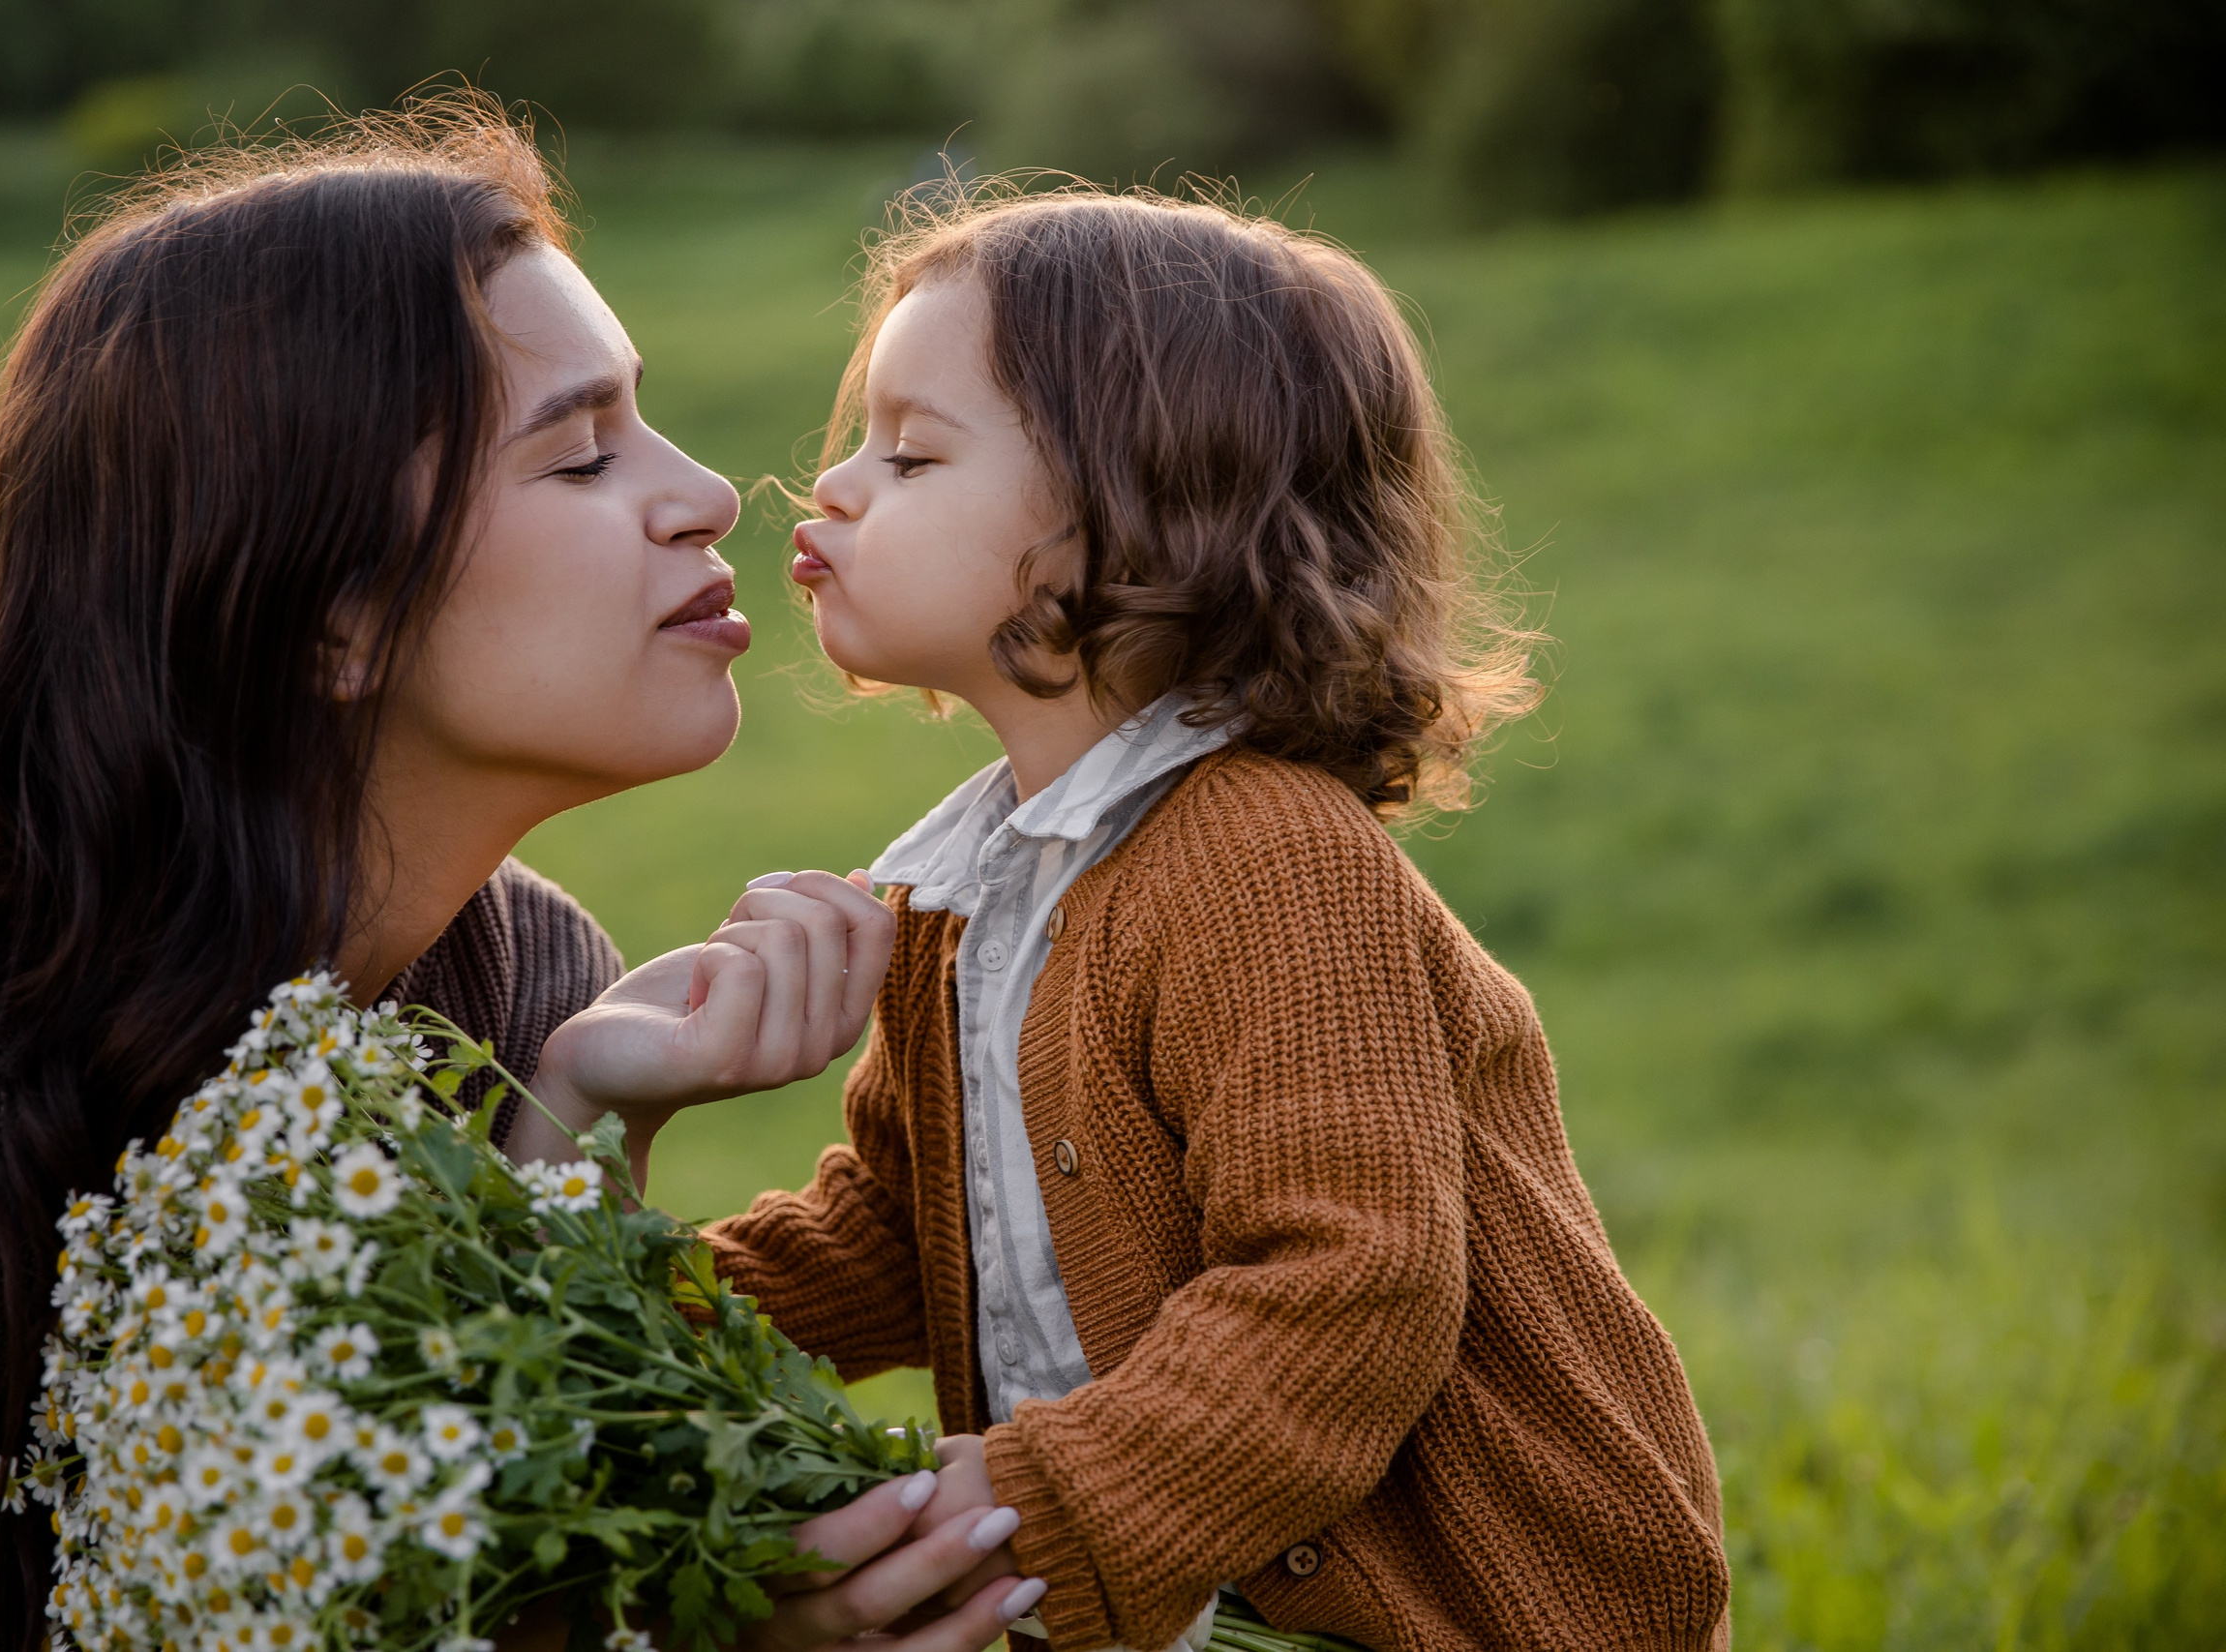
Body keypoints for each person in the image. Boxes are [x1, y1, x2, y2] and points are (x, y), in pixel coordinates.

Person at [0, 100, 1035, 1652]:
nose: (706, 495)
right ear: (331, 614)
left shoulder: (519, 985)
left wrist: (586, 1122)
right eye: (580, 456)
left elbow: (515, 1576)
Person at [575, 186, 1732, 1651]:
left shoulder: (1267, 862)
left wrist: (1033, 1503)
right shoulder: (968, 894)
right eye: (858, 443)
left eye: (913, 454)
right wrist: (611, 1334)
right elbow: (898, 1236)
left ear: (1138, 512)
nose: (833, 491)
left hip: (1443, 1615)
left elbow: (1349, 1289)